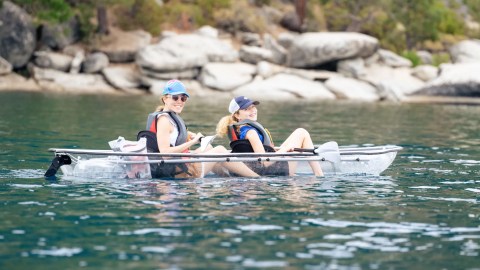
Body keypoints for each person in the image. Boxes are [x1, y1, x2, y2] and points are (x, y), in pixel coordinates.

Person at [138, 80, 258, 179]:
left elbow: (174, 136)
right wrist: (193, 142)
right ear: (165, 99)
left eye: (183, 98)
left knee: (209, 148)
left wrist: (188, 135)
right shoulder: (164, 120)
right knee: (220, 150)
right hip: (181, 173)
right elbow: (165, 153)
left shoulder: (170, 117)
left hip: (180, 165)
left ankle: (229, 177)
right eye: (175, 98)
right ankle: (256, 178)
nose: (179, 101)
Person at [216, 96, 324, 177]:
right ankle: (319, 175)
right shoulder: (251, 132)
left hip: (256, 166)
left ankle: (317, 173)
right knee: (302, 132)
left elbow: (254, 151)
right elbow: (265, 162)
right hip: (271, 170)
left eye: (253, 107)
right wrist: (285, 150)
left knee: (300, 133)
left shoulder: (240, 129)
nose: (253, 110)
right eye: (246, 109)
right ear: (237, 115)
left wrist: (280, 149)